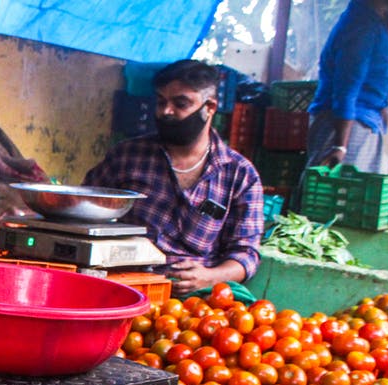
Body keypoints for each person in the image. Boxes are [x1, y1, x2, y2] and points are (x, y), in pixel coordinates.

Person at [84, 60, 264, 297]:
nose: (166, 111)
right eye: (161, 102)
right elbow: (86, 209)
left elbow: (246, 253)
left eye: (180, 103)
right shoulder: (127, 156)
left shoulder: (240, 175)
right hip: (127, 284)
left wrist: (210, 276)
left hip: (196, 295)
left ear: (209, 107)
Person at [305, 0, 388, 174]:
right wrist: (340, 146)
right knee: (332, 193)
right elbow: (346, 87)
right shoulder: (361, 25)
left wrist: (381, 107)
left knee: (357, 194)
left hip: (364, 121)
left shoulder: (382, 21)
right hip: (345, 124)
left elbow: (376, 74)